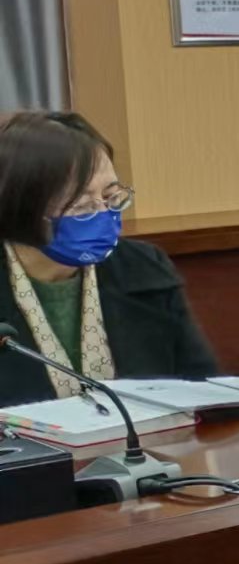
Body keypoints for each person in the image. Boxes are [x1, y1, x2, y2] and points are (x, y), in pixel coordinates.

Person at [0, 112, 219, 406]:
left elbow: (203, 389)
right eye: (81, 204)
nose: (104, 214)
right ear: (18, 206)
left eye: (111, 196)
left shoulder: (142, 267)